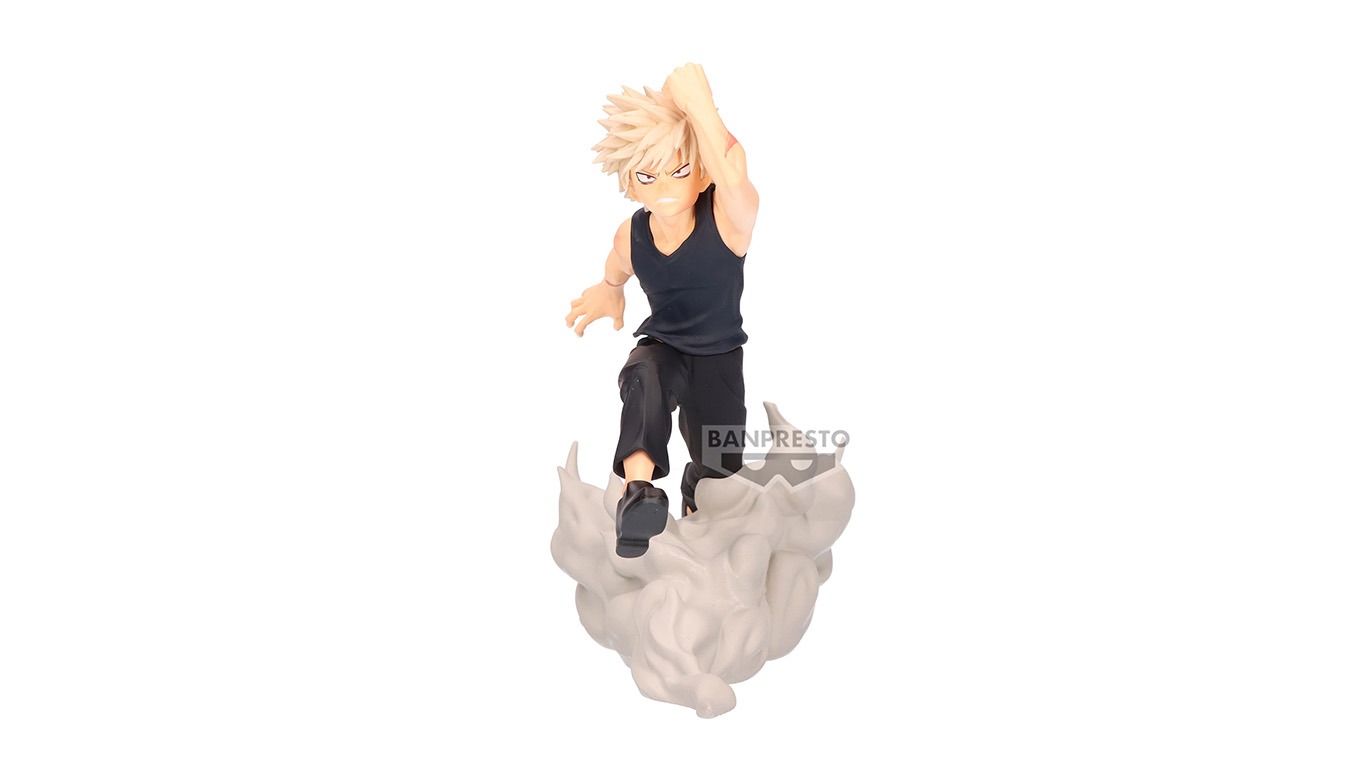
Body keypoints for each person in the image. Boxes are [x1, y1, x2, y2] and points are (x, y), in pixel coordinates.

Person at [565, 63, 760, 558]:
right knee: (642, 378)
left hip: (719, 359)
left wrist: (698, 103)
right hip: (664, 347)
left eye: (680, 170)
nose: (665, 187)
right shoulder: (630, 235)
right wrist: (609, 290)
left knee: (721, 470)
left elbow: (734, 173)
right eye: (648, 176)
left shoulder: (727, 220)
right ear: (632, 184)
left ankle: (698, 499)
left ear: (702, 173)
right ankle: (638, 494)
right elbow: (616, 268)